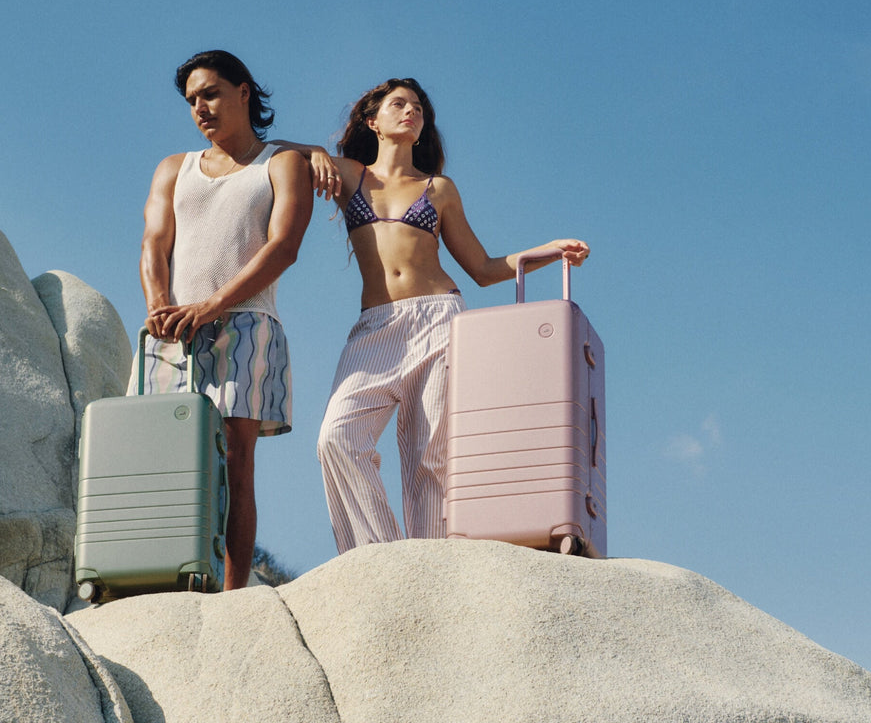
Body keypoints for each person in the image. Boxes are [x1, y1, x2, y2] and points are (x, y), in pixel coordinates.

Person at [278, 78, 588, 553]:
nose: (411, 112)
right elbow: (273, 152)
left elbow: (483, 269)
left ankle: (432, 561)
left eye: (418, 108)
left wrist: (548, 251)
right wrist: (313, 152)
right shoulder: (349, 175)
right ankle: (381, 557)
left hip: (439, 319)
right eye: (398, 104)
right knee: (336, 439)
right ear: (372, 120)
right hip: (375, 327)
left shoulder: (437, 189)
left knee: (429, 454)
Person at [135, 49, 313, 590]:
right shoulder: (175, 167)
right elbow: (154, 242)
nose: (200, 108)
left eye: (210, 93)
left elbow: (283, 248)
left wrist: (209, 307)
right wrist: (158, 303)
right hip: (171, 330)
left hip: (247, 324)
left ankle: (234, 594)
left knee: (236, 461)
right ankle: (163, 576)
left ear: (244, 92)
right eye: (191, 100)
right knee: (165, 458)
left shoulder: (282, 164)